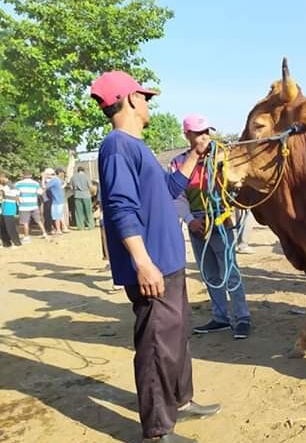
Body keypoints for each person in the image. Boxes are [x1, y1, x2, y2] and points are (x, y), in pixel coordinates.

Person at [91, 71, 219, 443]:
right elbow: (120, 207)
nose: (148, 103)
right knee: (155, 345)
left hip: (169, 262)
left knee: (177, 336)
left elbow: (167, 189)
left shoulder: (136, 146)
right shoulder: (117, 146)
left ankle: (181, 400)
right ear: (130, 99)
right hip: (152, 266)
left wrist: (195, 156)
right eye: (144, 97)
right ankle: (158, 431)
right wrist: (142, 262)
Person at [171, 114, 252, 339]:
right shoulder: (178, 163)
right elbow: (176, 196)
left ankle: (242, 317)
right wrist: (190, 220)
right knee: (209, 273)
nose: (205, 137)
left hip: (220, 220)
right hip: (196, 222)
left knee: (231, 272)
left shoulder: (222, 156)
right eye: (199, 133)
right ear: (187, 135)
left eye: (207, 132)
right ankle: (220, 317)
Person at [15, 169, 49, 242]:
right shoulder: (35, 184)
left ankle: (26, 236)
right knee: (38, 220)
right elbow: (40, 192)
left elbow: (16, 195)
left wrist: (18, 203)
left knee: (25, 222)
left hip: (24, 206)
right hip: (34, 205)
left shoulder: (18, 184)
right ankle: (44, 233)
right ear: (31, 175)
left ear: (23, 175)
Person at [1, 174, 22, 248]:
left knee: (10, 227)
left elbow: (16, 195)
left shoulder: (9, 186)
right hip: (3, 208)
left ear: (5, 178)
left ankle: (17, 243)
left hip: (9, 208)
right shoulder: (5, 186)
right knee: (2, 227)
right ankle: (6, 243)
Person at [45, 168, 69, 235]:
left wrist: (43, 178)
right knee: (60, 215)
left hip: (56, 201)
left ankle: (58, 230)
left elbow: (44, 187)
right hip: (60, 200)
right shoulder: (58, 180)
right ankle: (64, 228)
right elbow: (63, 183)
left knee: (56, 216)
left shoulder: (54, 180)